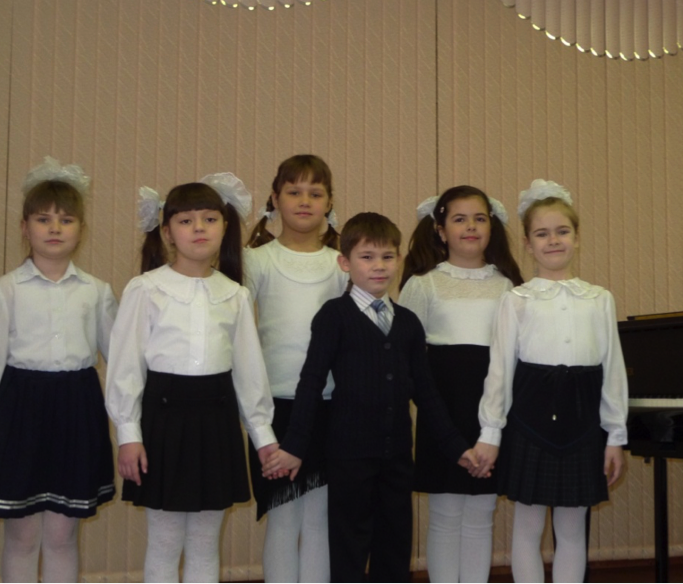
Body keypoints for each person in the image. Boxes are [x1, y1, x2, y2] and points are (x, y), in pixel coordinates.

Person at [262, 212, 480, 584]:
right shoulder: (334, 316)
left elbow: (426, 392)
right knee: (348, 548)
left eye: (387, 256)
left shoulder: (408, 322)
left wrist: (456, 446)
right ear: (345, 263)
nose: (379, 266)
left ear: (398, 259)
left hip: (397, 456)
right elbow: (311, 383)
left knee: (394, 547)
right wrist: (295, 446)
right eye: (367, 257)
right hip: (348, 456)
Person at [105, 174, 277, 584]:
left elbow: (249, 371)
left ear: (225, 227)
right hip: (163, 421)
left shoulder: (234, 294)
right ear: (167, 231)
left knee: (205, 541)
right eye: (186, 221)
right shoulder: (146, 289)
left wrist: (263, 437)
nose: (199, 228)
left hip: (215, 421)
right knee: (164, 541)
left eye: (209, 219)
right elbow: (125, 366)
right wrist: (128, 434)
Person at [0, 157, 118, 584]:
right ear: (24, 226)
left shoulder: (97, 292)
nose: (55, 228)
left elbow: (121, 364)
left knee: (62, 536)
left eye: (66, 220)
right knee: (21, 536)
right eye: (43, 219)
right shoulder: (5, 291)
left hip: (77, 410)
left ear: (81, 230)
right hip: (20, 413)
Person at [473, 179, 628, 584]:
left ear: (577, 237)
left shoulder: (599, 299)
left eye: (562, 231)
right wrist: (490, 433)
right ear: (527, 244)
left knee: (573, 529)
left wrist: (615, 436)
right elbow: (500, 370)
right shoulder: (516, 300)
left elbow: (612, 370)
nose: (553, 240)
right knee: (527, 526)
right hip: (530, 422)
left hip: (583, 425)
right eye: (542, 234)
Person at [399, 185, 523, 584]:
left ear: (492, 227)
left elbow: (515, 359)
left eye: (479, 218)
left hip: (492, 416)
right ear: (440, 230)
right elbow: (407, 360)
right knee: (446, 513)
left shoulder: (508, 287)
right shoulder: (423, 284)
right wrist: (443, 429)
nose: (471, 226)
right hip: (442, 413)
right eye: (459, 219)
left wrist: (494, 428)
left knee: (482, 514)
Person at [244, 155, 347, 584]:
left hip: (331, 404)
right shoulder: (255, 261)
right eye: (294, 192)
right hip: (276, 407)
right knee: (284, 518)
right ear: (275, 198)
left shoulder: (342, 264)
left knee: (321, 520)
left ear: (329, 202)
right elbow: (240, 338)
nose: (304, 201)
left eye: (315, 193)